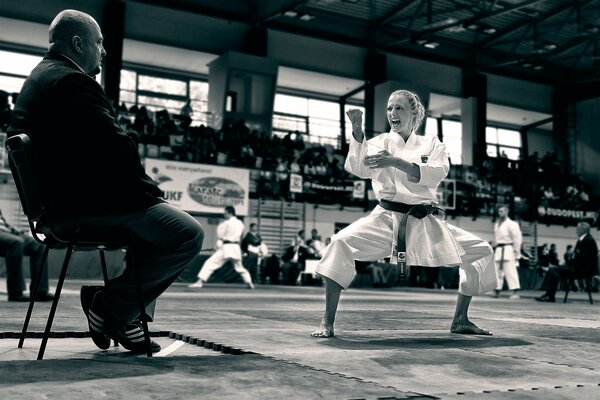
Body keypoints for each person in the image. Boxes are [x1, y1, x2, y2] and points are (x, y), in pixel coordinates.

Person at [8, 10, 204, 353]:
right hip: (80, 207)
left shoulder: (41, 78)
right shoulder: (71, 81)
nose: (104, 50)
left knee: (152, 230)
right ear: (78, 43)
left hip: (60, 205)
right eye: (99, 42)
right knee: (186, 233)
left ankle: (125, 317)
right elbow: (117, 148)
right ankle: (109, 307)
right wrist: (152, 195)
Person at [311, 90, 496, 338]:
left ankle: (460, 319)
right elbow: (359, 168)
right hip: (387, 218)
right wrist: (357, 132)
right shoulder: (379, 143)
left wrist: (396, 162)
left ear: (414, 113)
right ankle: (327, 321)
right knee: (339, 242)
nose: (392, 114)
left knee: (481, 250)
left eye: (399, 108)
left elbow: (436, 172)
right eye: (389, 108)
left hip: (425, 220)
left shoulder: (432, 144)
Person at [189, 206, 254, 289]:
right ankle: (249, 283)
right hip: (236, 247)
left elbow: (221, 237)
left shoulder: (225, 224)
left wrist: (218, 246)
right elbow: (240, 236)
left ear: (230, 213)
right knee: (239, 267)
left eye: (225, 213)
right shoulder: (241, 224)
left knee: (210, 263)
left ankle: (199, 282)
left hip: (226, 248)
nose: (224, 215)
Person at [536, 221, 599, 302]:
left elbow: (582, 258)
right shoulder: (584, 240)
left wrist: (571, 259)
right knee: (554, 269)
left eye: (577, 229)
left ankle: (549, 295)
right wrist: (571, 259)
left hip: (581, 270)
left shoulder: (588, 241)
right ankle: (549, 294)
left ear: (582, 230)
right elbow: (577, 256)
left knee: (553, 270)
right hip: (578, 267)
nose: (576, 230)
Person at [0, 209, 54, 302]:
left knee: (39, 246)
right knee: (16, 243)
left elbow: (2, 221)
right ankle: (15, 292)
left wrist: (12, 229)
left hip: (6, 231)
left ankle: (39, 291)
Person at [492, 205, 522, 299]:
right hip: (499, 250)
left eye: (502, 211)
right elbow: (497, 239)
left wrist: (517, 251)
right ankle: (497, 290)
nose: (500, 213)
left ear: (506, 212)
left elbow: (517, 238)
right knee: (497, 271)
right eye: (499, 211)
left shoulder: (512, 224)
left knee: (510, 271)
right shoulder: (497, 224)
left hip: (508, 249)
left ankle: (515, 292)